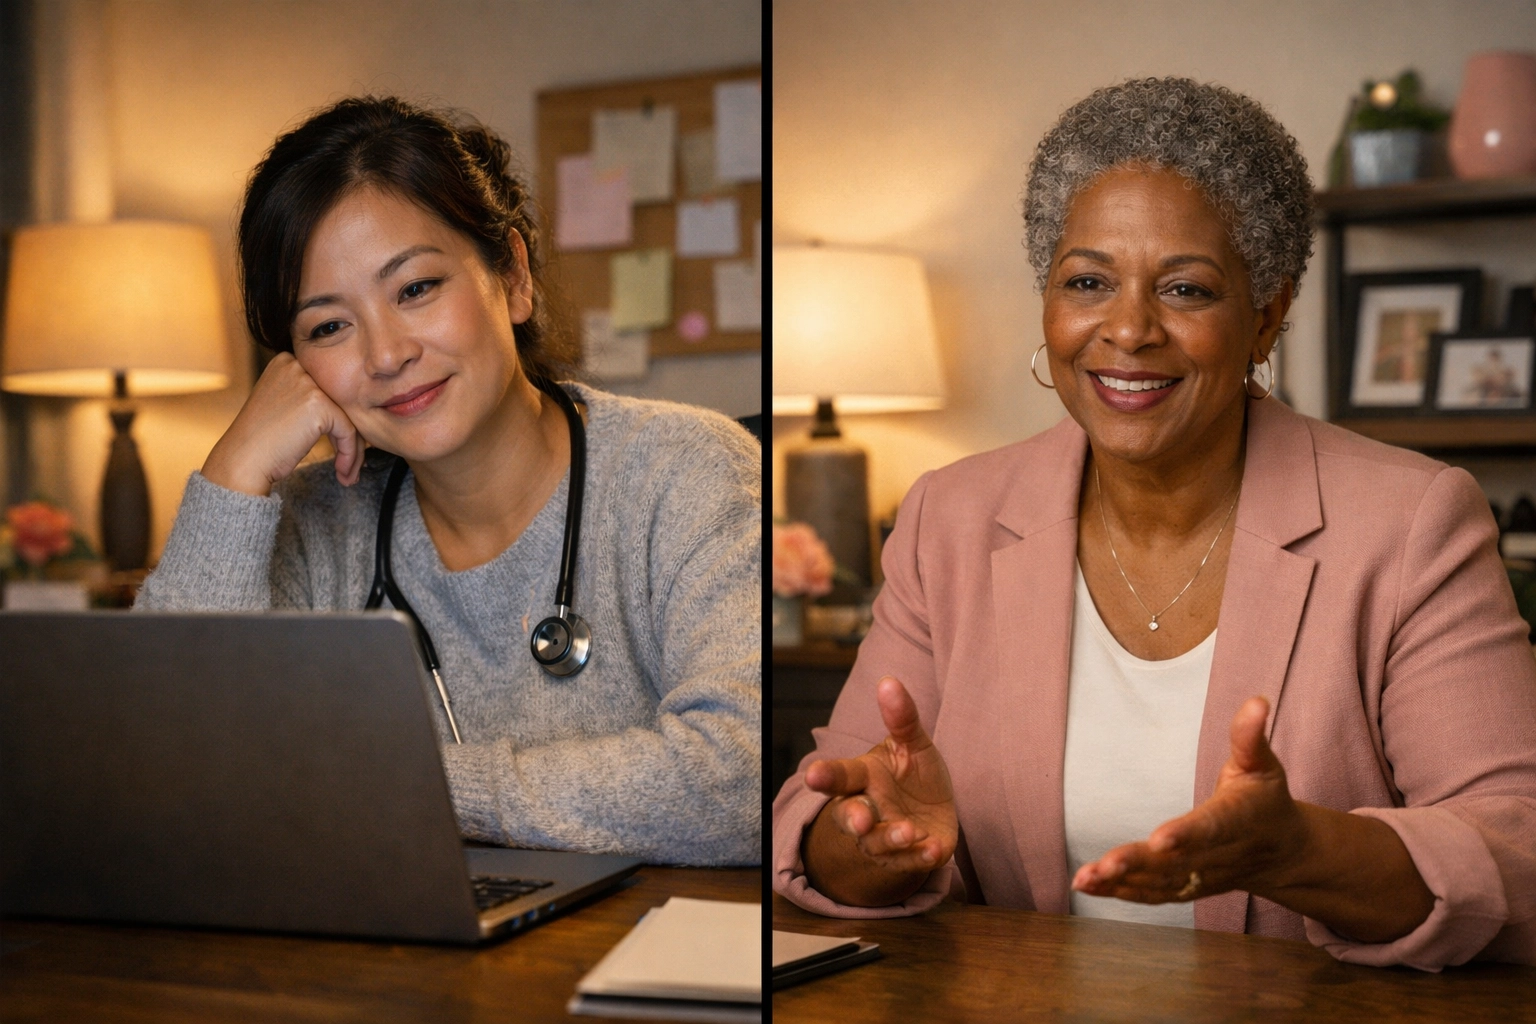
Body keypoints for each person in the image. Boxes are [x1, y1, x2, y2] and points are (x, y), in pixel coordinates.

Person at [771, 78, 1536, 970]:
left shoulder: (1410, 522)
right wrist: (865, 845)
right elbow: (827, 813)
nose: (1129, 329)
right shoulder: (953, 516)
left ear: (1268, 314)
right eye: (1088, 281)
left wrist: (1300, 854)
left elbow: (1515, 854)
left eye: (1186, 289)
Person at [136, 96, 761, 867]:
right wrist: (231, 475)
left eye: (416, 288)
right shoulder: (305, 524)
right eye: (329, 325)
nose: (386, 353)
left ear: (514, 275)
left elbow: (736, 783)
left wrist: (417, 786)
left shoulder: (687, 470)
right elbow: (160, 780)